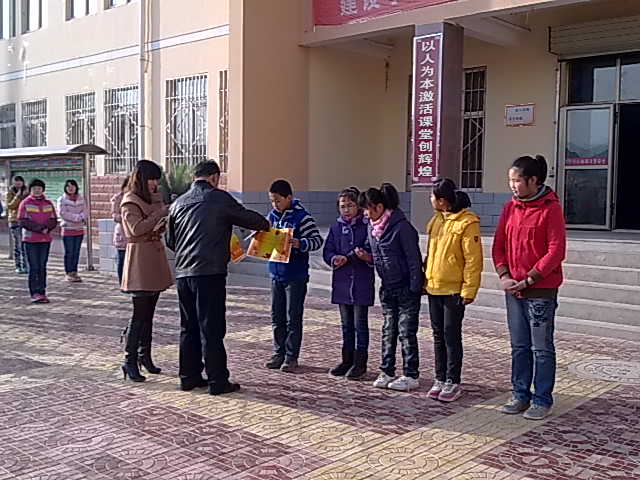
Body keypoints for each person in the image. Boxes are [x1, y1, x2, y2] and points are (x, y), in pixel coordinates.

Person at [166, 160, 270, 395]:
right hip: (209, 273)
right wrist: (266, 224)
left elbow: (170, 241)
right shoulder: (219, 198)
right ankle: (217, 380)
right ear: (214, 177)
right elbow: (248, 218)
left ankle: (188, 377)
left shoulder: (178, 203)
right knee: (211, 328)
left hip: (183, 274)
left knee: (188, 327)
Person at [492, 155, 566, 421]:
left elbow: (556, 250)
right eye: (510, 181)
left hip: (540, 290)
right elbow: (498, 245)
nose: (512, 185)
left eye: (517, 181)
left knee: (541, 348)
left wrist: (532, 278)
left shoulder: (550, 209)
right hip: (514, 289)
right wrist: (504, 275)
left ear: (533, 180)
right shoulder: (510, 208)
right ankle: (520, 394)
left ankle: (542, 398)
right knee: (519, 346)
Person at [358, 183, 423, 392]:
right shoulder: (372, 228)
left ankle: (411, 374)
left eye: (368, 209)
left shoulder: (402, 228)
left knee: (406, 332)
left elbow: (413, 259)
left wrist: (415, 287)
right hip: (387, 287)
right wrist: (367, 257)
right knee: (388, 330)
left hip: (406, 287)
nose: (366, 214)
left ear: (379, 207)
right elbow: (377, 255)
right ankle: (387, 370)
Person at [424, 178, 483, 402]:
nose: (430, 199)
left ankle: (452, 380)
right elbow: (431, 253)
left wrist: (469, 290)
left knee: (451, 335)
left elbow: (473, 260)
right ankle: (440, 378)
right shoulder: (437, 219)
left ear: (442, 200)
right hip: (434, 287)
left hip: (453, 290)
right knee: (438, 335)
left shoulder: (467, 222)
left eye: (433, 196)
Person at [120, 160, 173, 382]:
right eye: (151, 179)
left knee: (150, 313)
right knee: (139, 314)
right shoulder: (130, 201)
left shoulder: (155, 198)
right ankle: (129, 360)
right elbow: (135, 229)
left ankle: (145, 356)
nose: (154, 184)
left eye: (156, 180)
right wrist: (159, 214)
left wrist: (163, 218)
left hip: (155, 254)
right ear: (142, 179)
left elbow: (158, 222)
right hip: (140, 258)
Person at [265, 179, 323, 373]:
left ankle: (291, 356)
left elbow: (317, 241)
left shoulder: (302, 217)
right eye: (272, 201)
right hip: (276, 274)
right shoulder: (271, 217)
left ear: (289, 197)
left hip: (295, 276)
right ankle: (278, 352)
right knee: (277, 316)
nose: (275, 204)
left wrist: (300, 243)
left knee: (293, 317)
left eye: (278, 200)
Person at [322, 187, 374, 379]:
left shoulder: (366, 226)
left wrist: (353, 256)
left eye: (350, 206)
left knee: (360, 324)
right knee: (346, 325)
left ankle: (360, 363)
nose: (346, 210)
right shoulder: (336, 228)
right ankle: (347, 360)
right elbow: (327, 251)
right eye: (343, 206)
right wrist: (334, 258)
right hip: (342, 284)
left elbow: (369, 247)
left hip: (361, 282)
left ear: (358, 206)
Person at [18, 179, 57, 303]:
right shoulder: (25, 203)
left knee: (42, 266)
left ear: (43, 190)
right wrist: (40, 229)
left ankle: (42, 292)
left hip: (45, 240)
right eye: (34, 188)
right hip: (30, 240)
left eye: (39, 188)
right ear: (30, 190)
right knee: (34, 267)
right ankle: (34, 292)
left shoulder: (48, 203)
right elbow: (22, 220)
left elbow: (53, 219)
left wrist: (47, 228)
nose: (37, 190)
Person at [57, 179, 86, 283]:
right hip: (68, 229)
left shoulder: (82, 198)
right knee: (69, 252)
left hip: (79, 229)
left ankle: (75, 272)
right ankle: (68, 272)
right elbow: (63, 213)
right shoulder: (62, 199)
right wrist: (77, 218)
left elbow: (85, 211)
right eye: (68, 186)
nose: (71, 188)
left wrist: (81, 217)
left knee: (76, 252)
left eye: (72, 186)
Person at [6, 176, 29, 274]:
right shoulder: (10, 192)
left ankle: (26, 266)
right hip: (14, 220)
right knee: (18, 244)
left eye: (20, 182)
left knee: (25, 244)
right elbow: (10, 205)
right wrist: (17, 197)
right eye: (16, 182)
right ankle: (18, 266)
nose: (18, 184)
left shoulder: (27, 192)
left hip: (25, 221)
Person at [111, 177, 129, 285]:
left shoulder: (138, 197)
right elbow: (114, 215)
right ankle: (122, 283)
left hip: (133, 234)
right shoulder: (118, 198)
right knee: (121, 259)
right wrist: (126, 218)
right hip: (122, 232)